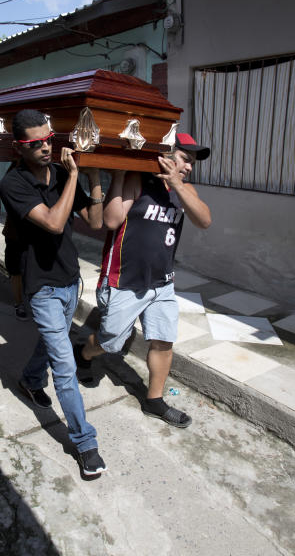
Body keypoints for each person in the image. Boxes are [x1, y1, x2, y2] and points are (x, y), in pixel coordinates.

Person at [76, 133, 212, 428]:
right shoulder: (139, 180)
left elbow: (205, 220)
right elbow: (111, 221)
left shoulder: (184, 191)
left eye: (192, 163)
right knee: (111, 344)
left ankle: (154, 400)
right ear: (166, 154)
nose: (189, 167)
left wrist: (177, 183)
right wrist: (121, 173)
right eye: (185, 159)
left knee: (163, 341)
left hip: (162, 283)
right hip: (124, 281)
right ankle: (84, 351)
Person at [0, 109, 106, 477]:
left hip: (70, 279)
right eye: (35, 143)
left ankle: (29, 380)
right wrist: (75, 174)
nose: (45, 146)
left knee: (52, 341)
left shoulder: (61, 173)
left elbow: (95, 221)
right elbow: (55, 223)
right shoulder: (13, 184)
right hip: (41, 286)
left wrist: (92, 177)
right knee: (64, 364)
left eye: (48, 139)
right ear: (18, 147)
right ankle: (85, 443)